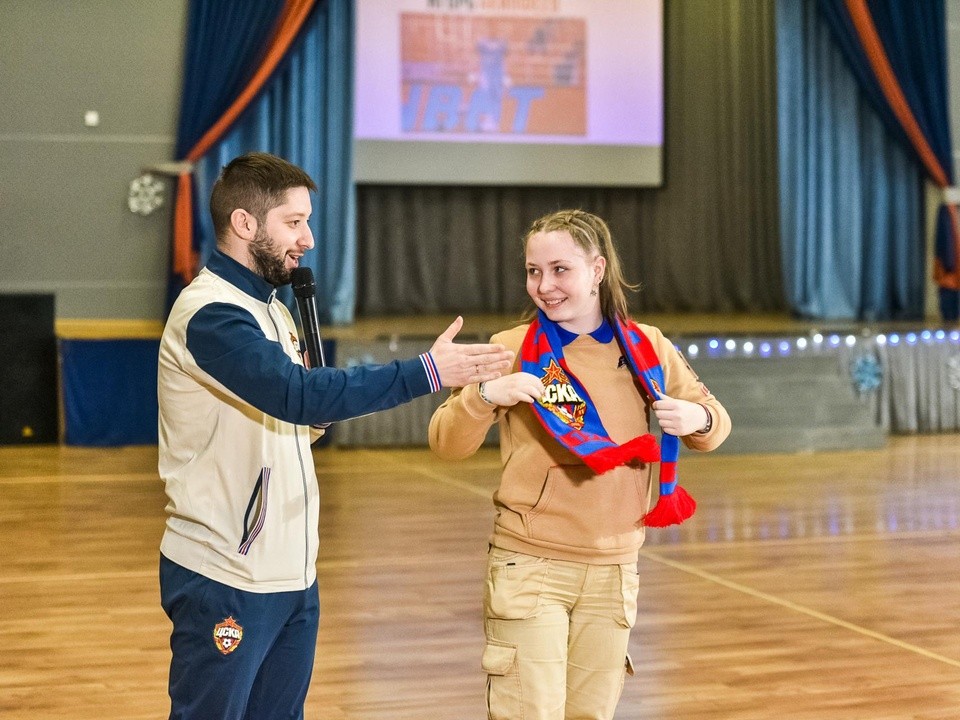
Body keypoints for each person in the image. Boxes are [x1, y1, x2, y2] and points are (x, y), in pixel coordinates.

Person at [157, 151, 514, 720]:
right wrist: (426, 372)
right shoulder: (211, 314)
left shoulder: (274, 310)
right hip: (225, 573)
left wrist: (311, 418)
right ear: (245, 223)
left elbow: (294, 415)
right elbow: (295, 394)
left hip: (293, 573)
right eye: (294, 222)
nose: (309, 239)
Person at [428, 209, 731, 720]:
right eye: (533, 271)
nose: (544, 286)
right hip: (530, 566)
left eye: (560, 269)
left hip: (615, 569)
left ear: (597, 269)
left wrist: (697, 416)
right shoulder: (511, 348)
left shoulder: (648, 346)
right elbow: (445, 443)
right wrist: (483, 397)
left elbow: (716, 423)